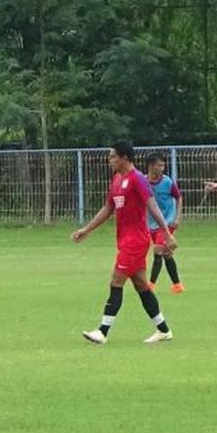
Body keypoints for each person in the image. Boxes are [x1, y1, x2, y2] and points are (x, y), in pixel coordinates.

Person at [72, 140, 178, 345]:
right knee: (141, 285)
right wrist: (86, 230)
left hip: (136, 241)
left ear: (124, 158)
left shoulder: (138, 179)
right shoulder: (117, 179)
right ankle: (163, 329)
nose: (109, 160)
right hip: (124, 240)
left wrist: (166, 233)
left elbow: (152, 204)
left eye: (113, 156)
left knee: (116, 280)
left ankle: (102, 331)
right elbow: (107, 208)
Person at [145, 152, 184, 293]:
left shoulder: (167, 181)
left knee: (158, 251)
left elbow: (179, 197)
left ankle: (150, 286)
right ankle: (177, 285)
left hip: (167, 223)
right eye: (159, 165)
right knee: (167, 254)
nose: (162, 168)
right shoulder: (143, 182)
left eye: (163, 165)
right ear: (151, 166)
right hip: (151, 224)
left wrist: (177, 217)